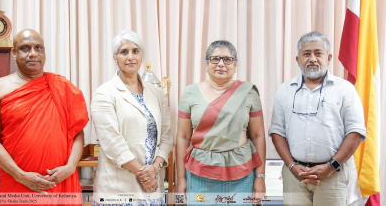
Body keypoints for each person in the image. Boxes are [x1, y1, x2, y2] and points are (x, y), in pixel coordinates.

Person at [0, 29, 88, 204]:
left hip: (60, 181)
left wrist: (69, 168)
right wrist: (21, 176)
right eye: (25, 48)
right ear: (14, 53)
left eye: (38, 48)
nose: (33, 53)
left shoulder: (61, 86)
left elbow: (77, 132)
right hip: (18, 182)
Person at [268, 31, 367, 206]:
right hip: (294, 176)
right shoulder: (284, 90)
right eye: (306, 54)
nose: (312, 59)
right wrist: (292, 166)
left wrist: (330, 167)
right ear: (298, 60)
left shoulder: (345, 89)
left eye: (318, 53)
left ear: (328, 58)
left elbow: (356, 132)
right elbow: (277, 132)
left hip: (333, 175)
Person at [176, 40, 266, 205]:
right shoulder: (191, 93)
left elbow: (258, 135)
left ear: (235, 65)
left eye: (227, 59)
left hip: (241, 173)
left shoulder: (248, 92)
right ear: (206, 64)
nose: (221, 64)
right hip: (199, 174)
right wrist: (181, 180)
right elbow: (182, 137)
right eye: (215, 59)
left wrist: (260, 177)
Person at [91, 30, 172, 205]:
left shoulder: (156, 92)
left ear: (142, 55)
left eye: (135, 51)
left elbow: (166, 135)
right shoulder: (104, 93)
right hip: (119, 188)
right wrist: (144, 176)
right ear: (115, 57)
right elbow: (113, 142)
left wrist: (155, 168)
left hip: (153, 184)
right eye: (124, 52)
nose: (130, 57)